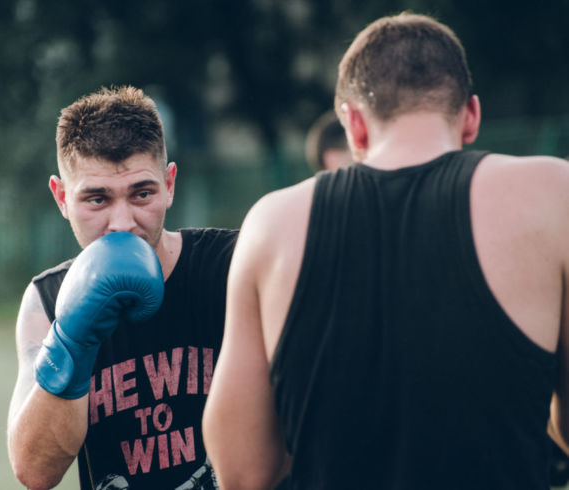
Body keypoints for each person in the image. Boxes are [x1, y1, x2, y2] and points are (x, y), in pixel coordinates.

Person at [202, 12, 569, 490]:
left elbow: (244, 472)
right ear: (472, 116)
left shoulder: (270, 226)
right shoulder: (551, 192)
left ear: (352, 125)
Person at [7, 86, 237, 490]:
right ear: (61, 198)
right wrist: (71, 339)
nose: (122, 222)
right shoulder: (47, 302)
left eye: (142, 193)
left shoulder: (231, 265)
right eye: (97, 199)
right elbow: (35, 471)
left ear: (170, 184)